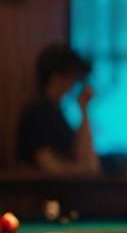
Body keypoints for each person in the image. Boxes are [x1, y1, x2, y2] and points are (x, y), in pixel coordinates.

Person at [16, 41, 100, 174]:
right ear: (55, 76)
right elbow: (49, 167)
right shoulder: (37, 114)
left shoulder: (57, 114)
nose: (74, 83)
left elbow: (88, 160)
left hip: (63, 191)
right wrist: (82, 171)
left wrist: (84, 109)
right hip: (44, 193)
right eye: (72, 76)